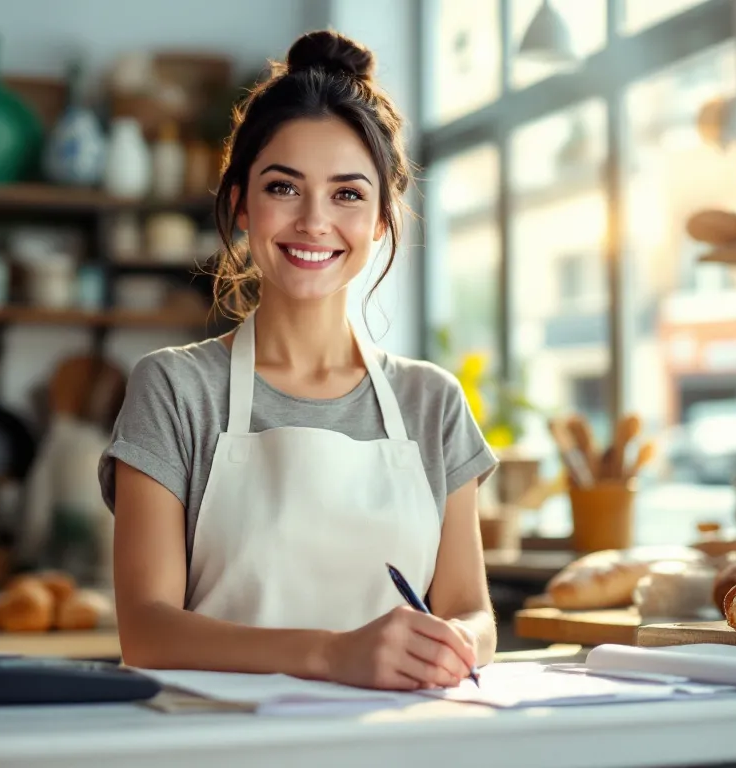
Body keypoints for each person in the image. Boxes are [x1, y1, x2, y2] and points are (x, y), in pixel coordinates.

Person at [97, 29, 499, 691]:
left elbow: (473, 611)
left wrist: (456, 640)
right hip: (225, 741)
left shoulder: (434, 402)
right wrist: (334, 654)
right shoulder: (173, 388)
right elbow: (147, 632)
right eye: (284, 188)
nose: (315, 222)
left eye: (347, 194)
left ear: (379, 220)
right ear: (241, 206)